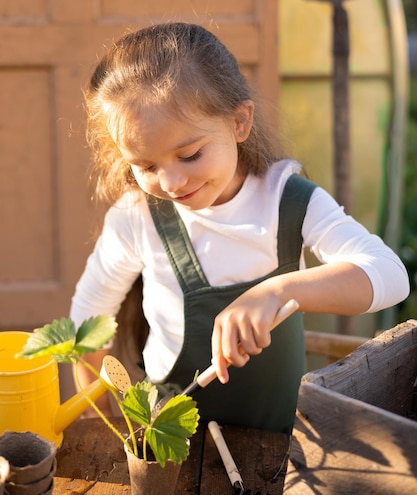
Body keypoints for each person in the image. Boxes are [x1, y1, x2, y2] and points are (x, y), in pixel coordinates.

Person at [70, 22, 409, 433]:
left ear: (239, 123)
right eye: (146, 166)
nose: (172, 182)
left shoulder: (287, 201)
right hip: (174, 448)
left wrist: (279, 291)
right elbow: (85, 325)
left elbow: (390, 275)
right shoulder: (136, 218)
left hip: (281, 443)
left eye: (191, 154)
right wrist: (98, 418)